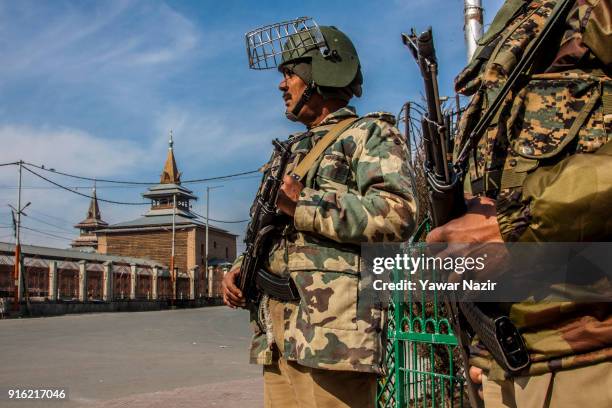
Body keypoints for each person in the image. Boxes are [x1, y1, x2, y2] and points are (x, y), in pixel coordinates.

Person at [222, 20, 416, 408]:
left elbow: (398, 213)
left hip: (333, 335)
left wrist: (304, 205)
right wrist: (245, 264)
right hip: (278, 334)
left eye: (290, 74)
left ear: (319, 75)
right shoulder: (291, 149)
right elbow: (275, 230)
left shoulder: (368, 135)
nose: (282, 85)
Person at [427, 0, 611, 406]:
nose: (282, 86)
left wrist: (516, 223)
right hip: (515, 361)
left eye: (291, 75)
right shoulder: (526, 15)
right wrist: (484, 344)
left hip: (592, 360)